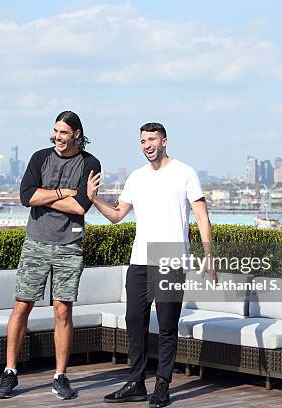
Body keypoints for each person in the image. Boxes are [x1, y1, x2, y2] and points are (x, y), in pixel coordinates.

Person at [88, 122, 214, 408]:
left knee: (167, 326)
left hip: (170, 258)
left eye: (152, 139)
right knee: (134, 320)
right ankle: (135, 383)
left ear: (164, 141)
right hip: (139, 261)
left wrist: (208, 254)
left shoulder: (185, 173)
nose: (147, 145)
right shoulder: (136, 177)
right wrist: (94, 198)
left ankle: (162, 385)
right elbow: (118, 215)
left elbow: (202, 217)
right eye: (143, 140)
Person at [0, 111, 101, 400]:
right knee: (21, 306)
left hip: (70, 245)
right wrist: (64, 192)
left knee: (63, 310)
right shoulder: (40, 157)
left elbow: (81, 207)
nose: (57, 137)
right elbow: (27, 197)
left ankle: (60, 376)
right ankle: (10, 372)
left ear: (77, 134)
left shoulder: (90, 163)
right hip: (36, 243)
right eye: (55, 131)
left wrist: (51, 196)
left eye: (63, 132)